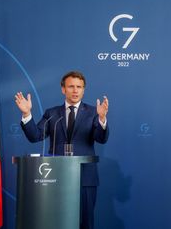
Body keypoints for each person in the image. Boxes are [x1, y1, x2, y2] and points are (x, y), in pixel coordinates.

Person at [15, 71, 109, 229]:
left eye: (79, 87)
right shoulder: (52, 114)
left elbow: (101, 138)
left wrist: (102, 119)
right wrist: (26, 113)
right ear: (63, 89)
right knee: (56, 223)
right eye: (71, 86)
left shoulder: (94, 112)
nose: (75, 90)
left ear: (84, 90)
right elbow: (35, 136)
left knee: (86, 223)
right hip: (56, 178)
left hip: (85, 178)